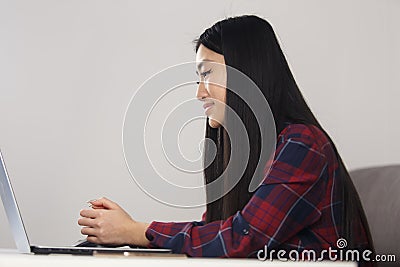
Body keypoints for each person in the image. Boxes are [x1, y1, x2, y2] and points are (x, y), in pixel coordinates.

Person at [78, 15, 374, 263]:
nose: (199, 93)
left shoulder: (303, 144)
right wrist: (131, 241)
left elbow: (242, 238)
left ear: (247, 74)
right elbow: (215, 232)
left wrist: (135, 232)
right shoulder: (247, 154)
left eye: (207, 74)